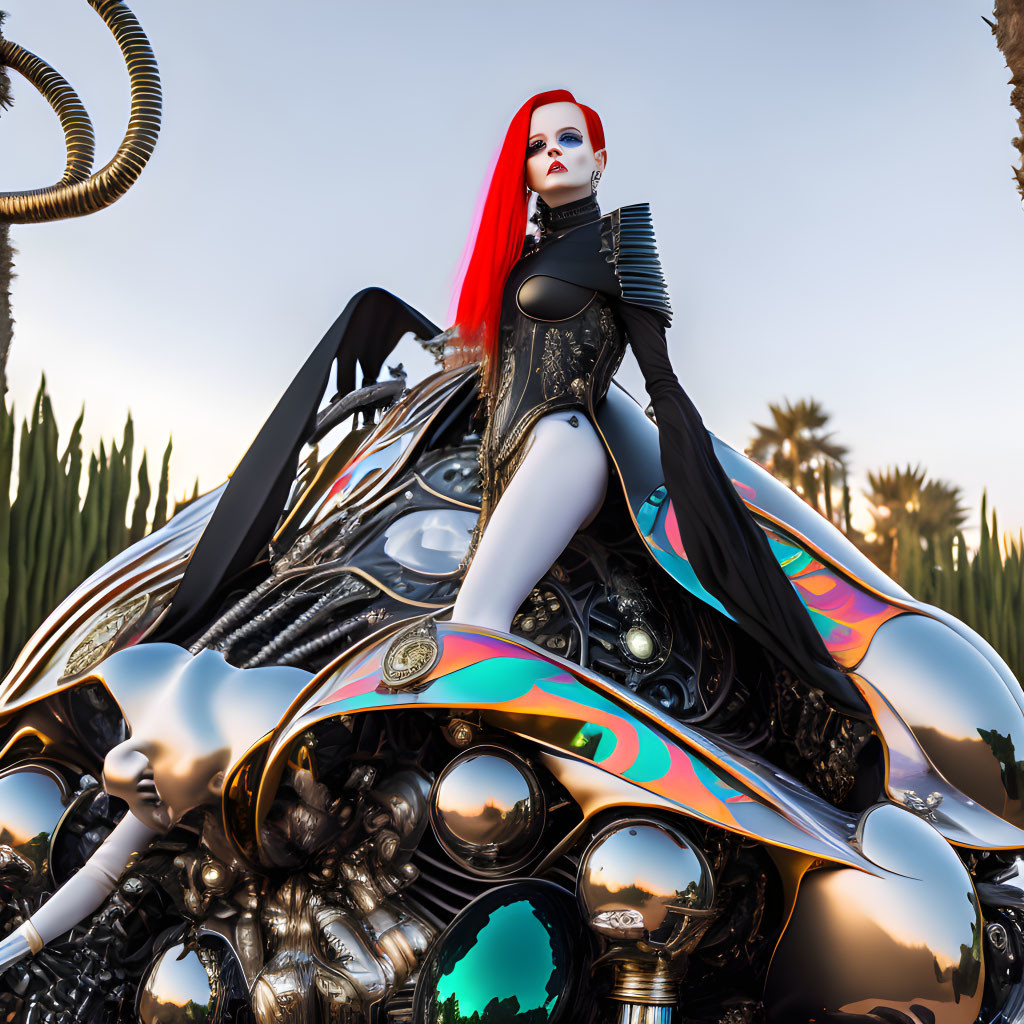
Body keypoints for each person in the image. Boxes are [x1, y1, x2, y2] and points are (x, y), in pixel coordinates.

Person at [446, 89, 867, 720]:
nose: (553, 154)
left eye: (569, 140)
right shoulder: (516, 261)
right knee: (487, 622)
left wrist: (702, 486)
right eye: (537, 147)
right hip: (508, 460)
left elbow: (658, 377)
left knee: (475, 625)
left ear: (600, 159)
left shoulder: (622, 239)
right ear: (523, 170)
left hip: (567, 443)